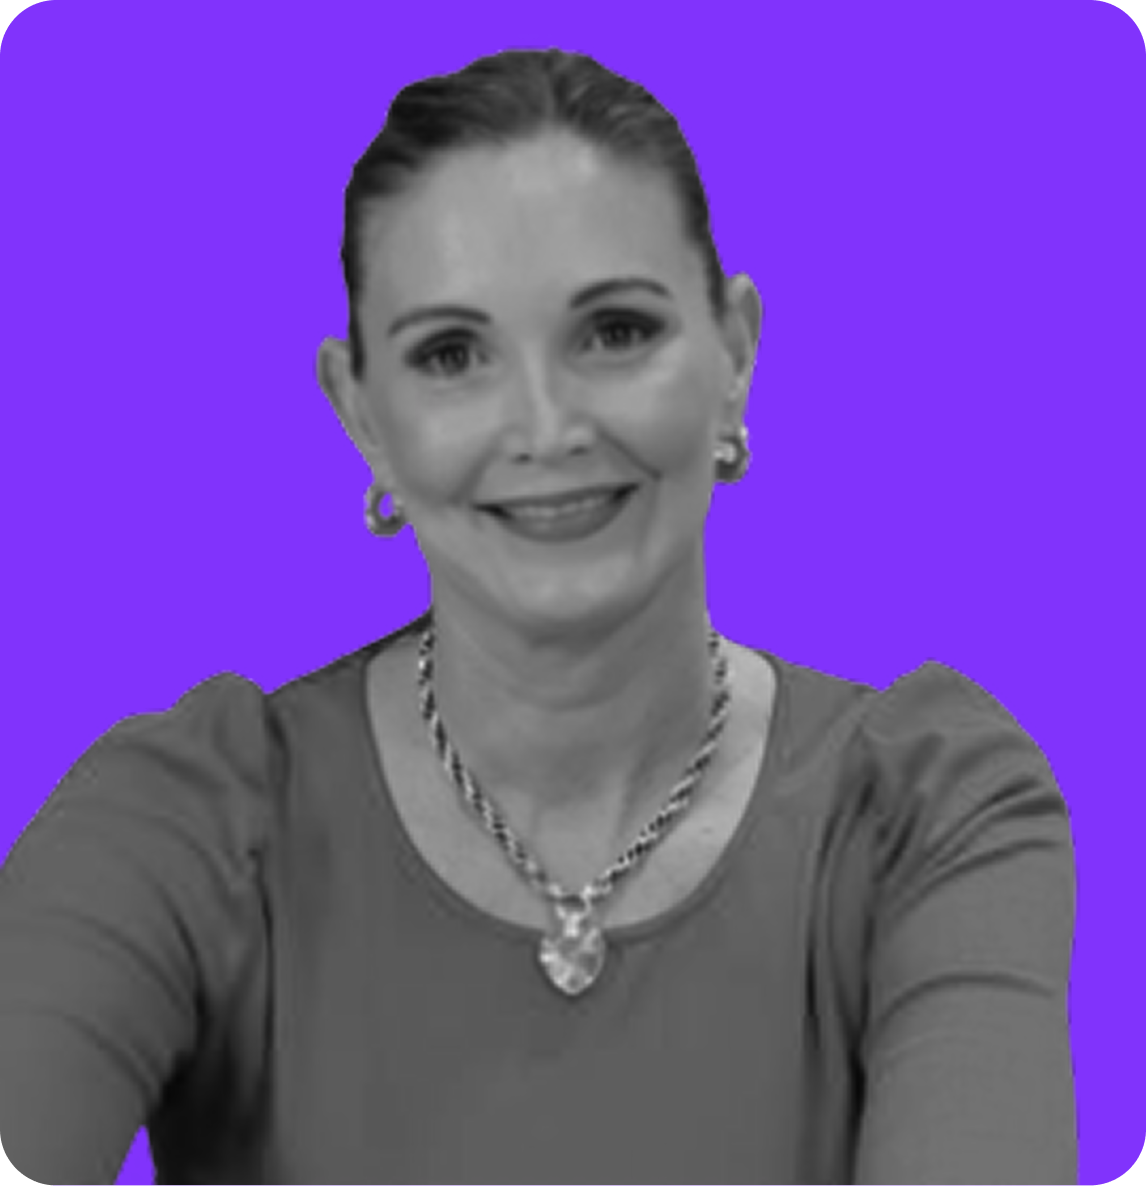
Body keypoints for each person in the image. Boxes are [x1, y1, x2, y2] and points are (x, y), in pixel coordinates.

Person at [0, 47, 1077, 1186]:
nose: (548, 427)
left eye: (615, 331)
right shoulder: (187, 819)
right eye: (452, 354)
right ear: (362, 414)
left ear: (735, 353)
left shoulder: (927, 807)